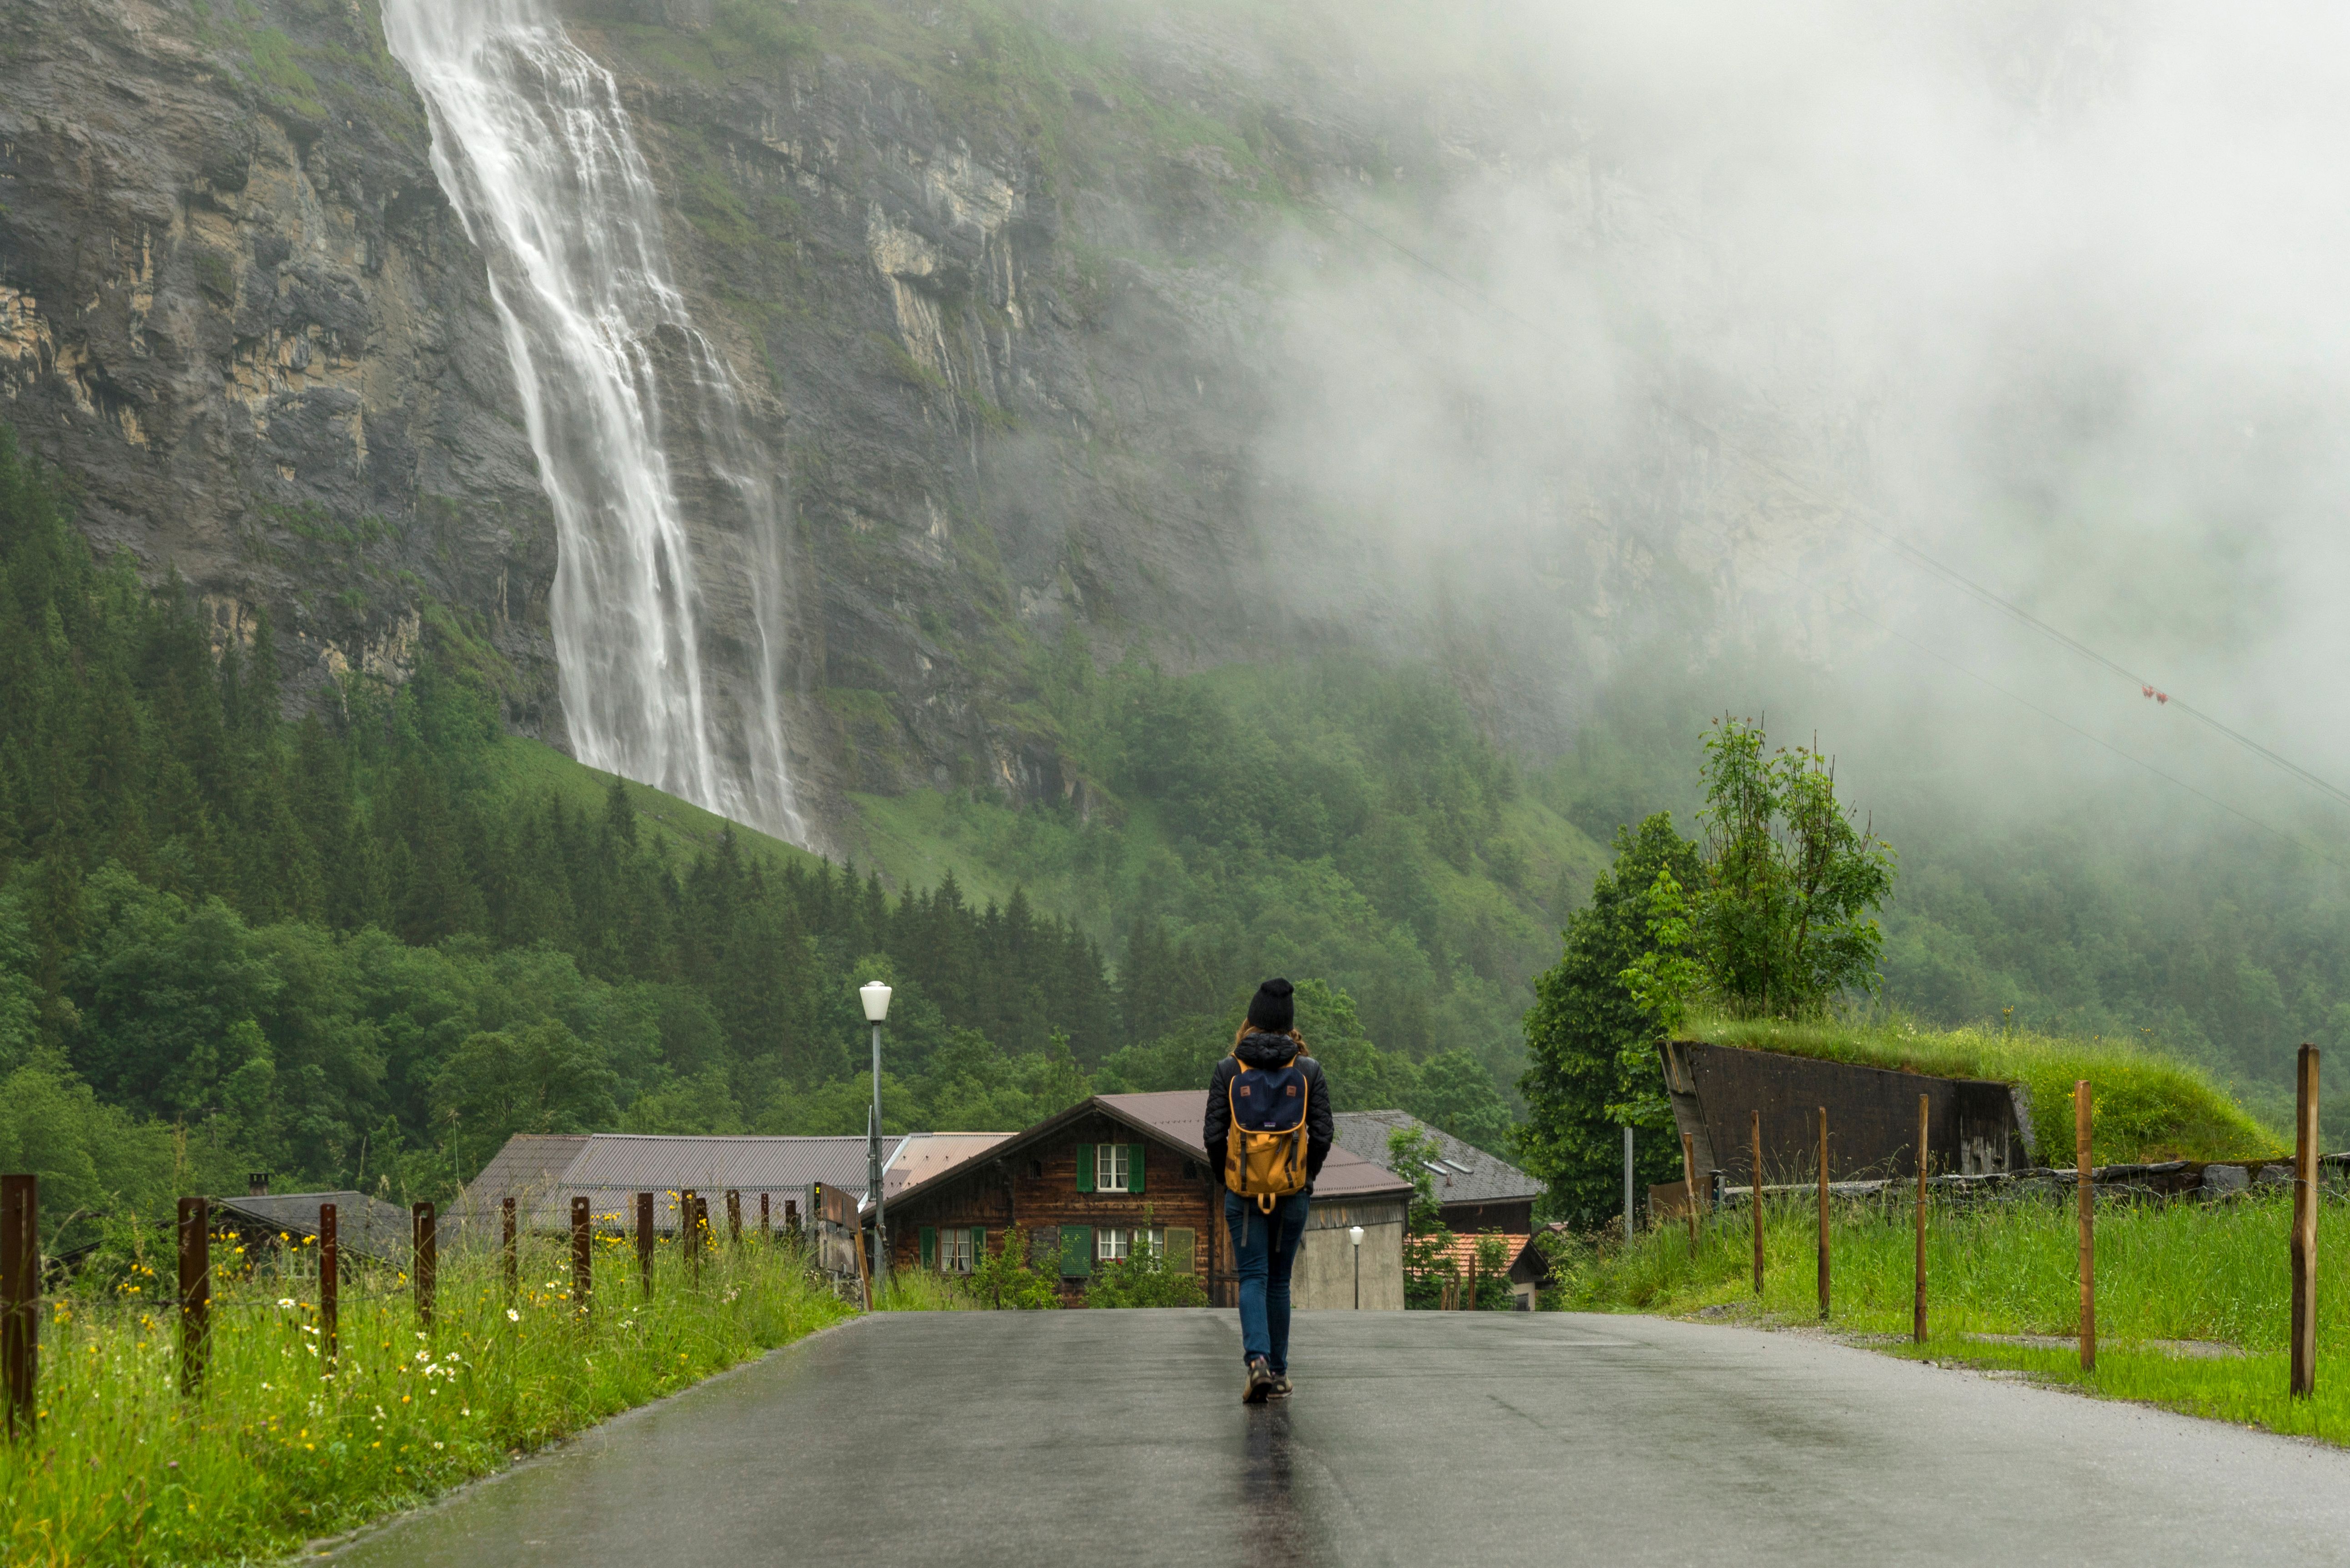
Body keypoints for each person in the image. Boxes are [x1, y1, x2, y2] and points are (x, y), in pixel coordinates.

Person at [1204, 977, 1332, 1403]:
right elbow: (1324, 1133)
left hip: (1244, 1194)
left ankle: (1256, 1362)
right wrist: (1306, 1177)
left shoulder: (1229, 1070)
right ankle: (1278, 1374)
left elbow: (1212, 1135)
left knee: (1253, 1278)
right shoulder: (1309, 1071)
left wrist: (1229, 1181)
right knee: (1280, 1281)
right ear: (1290, 1025)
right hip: (1292, 1193)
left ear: (1251, 1021)